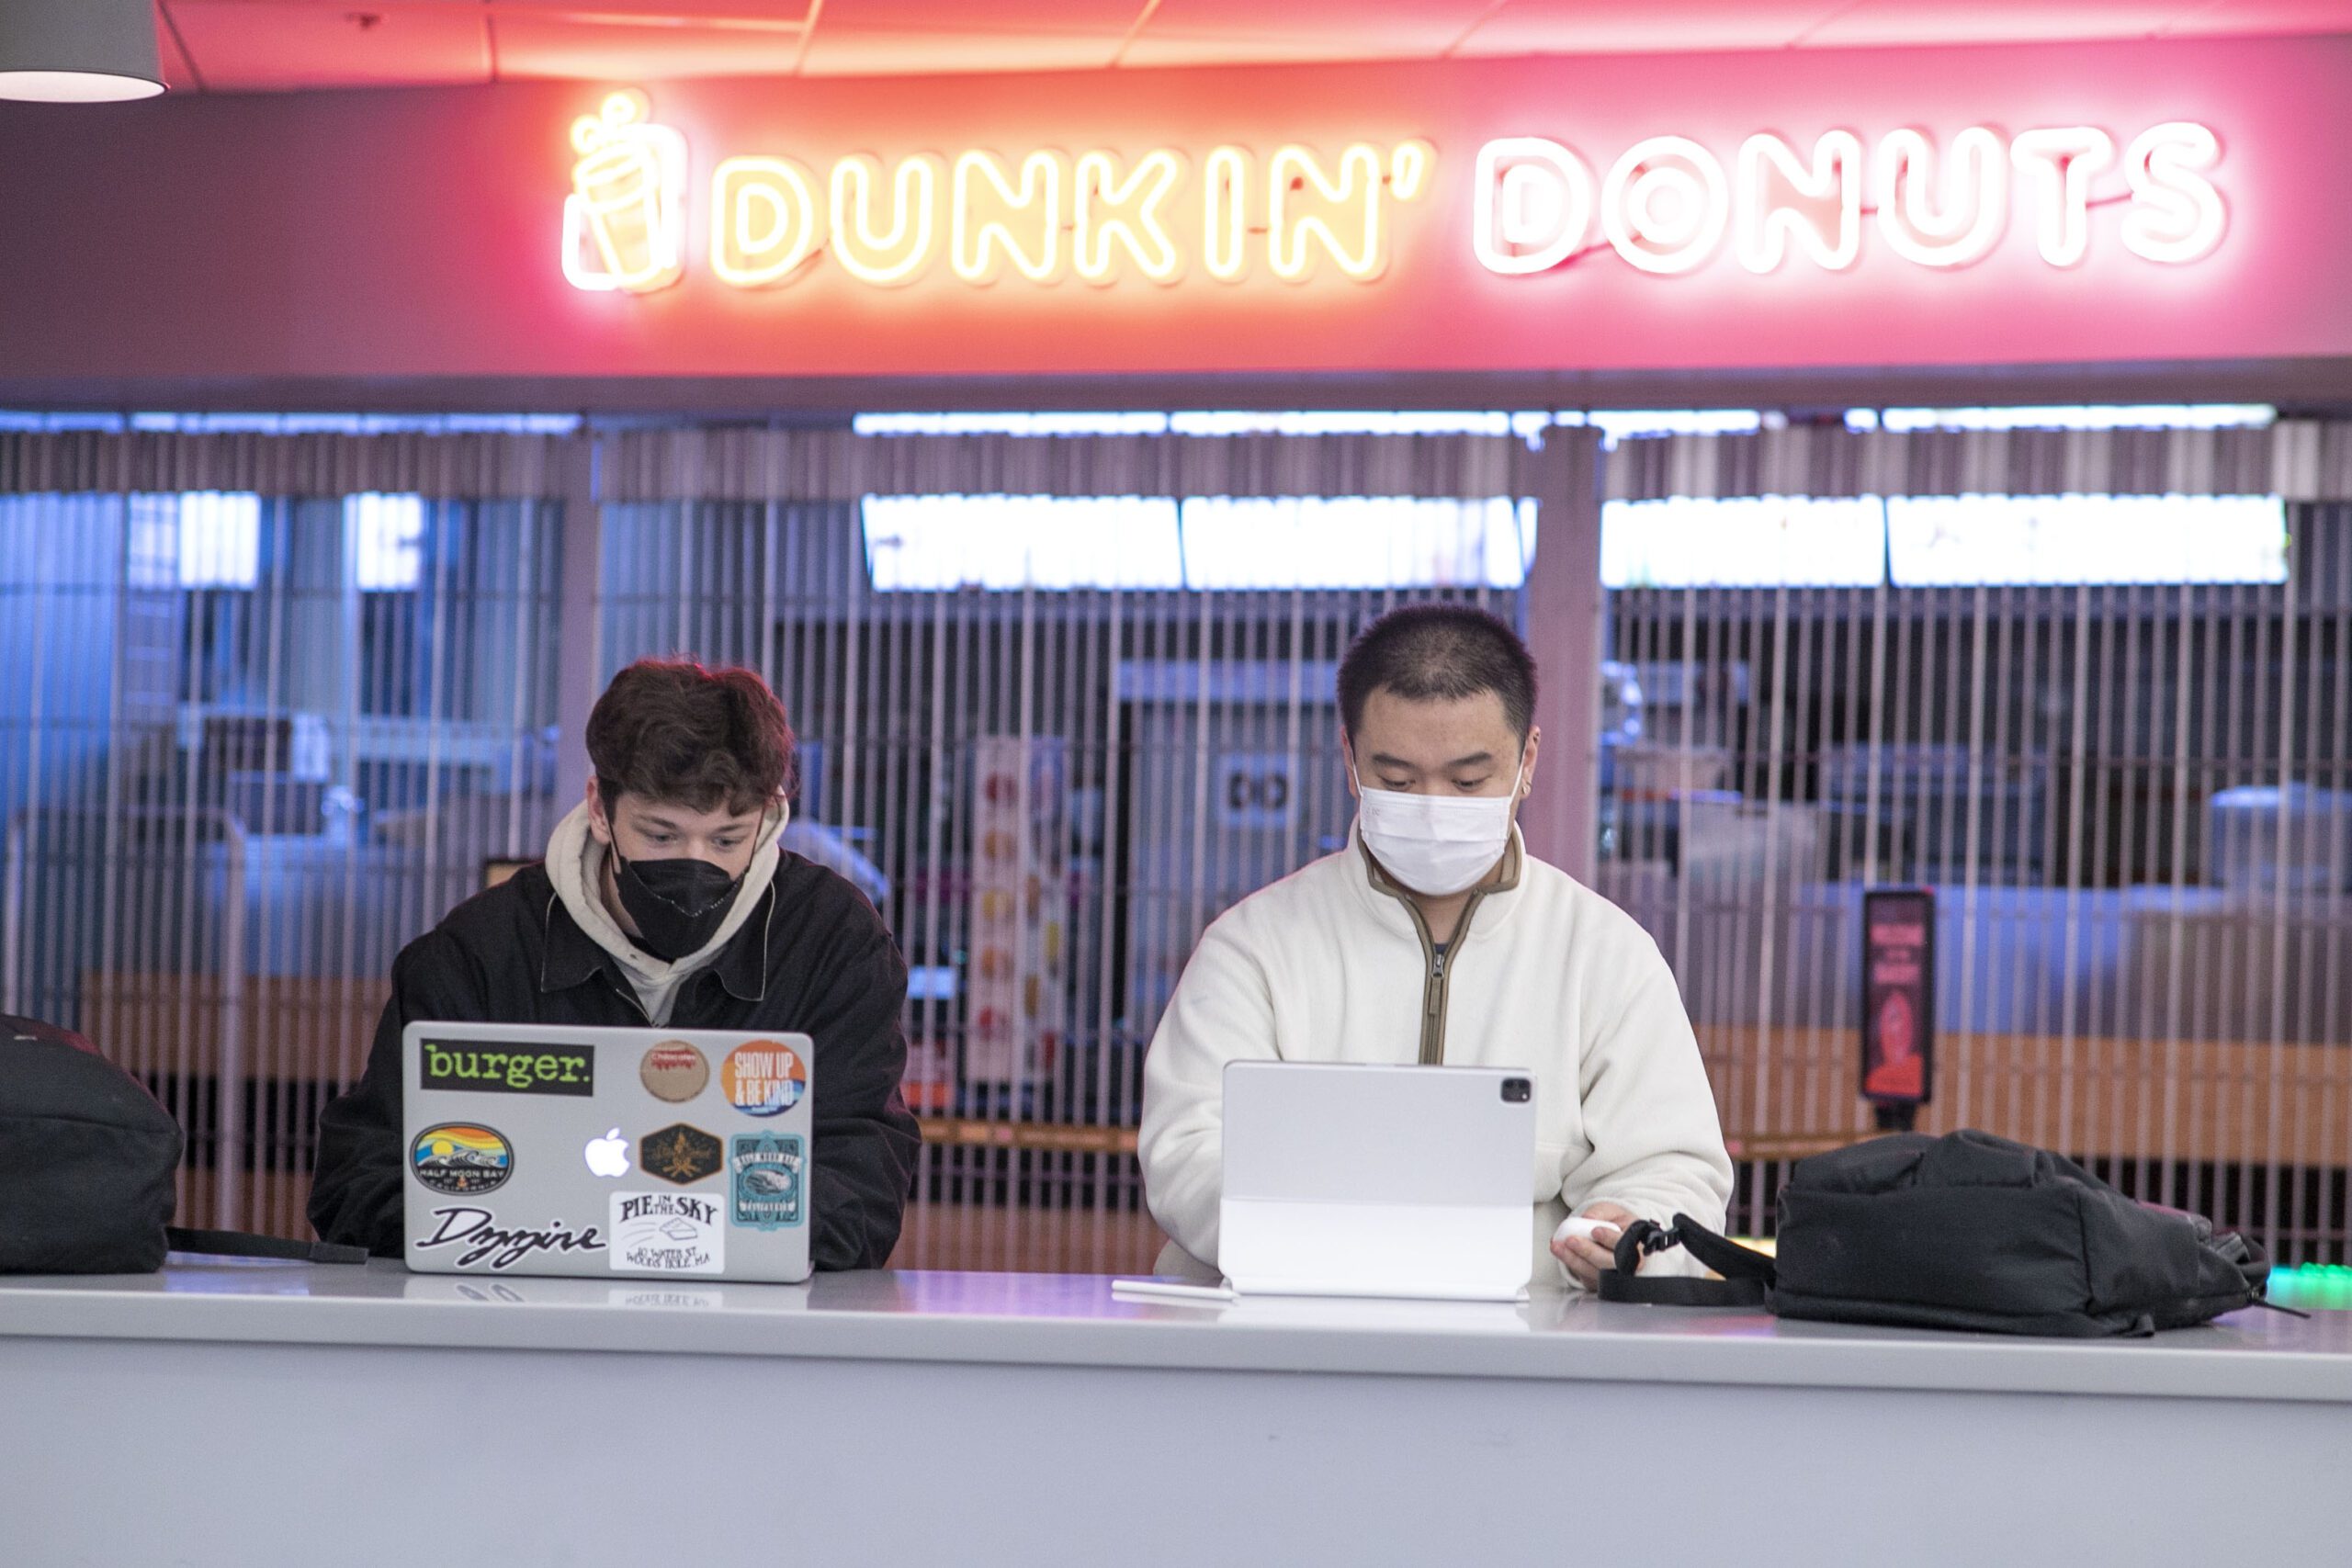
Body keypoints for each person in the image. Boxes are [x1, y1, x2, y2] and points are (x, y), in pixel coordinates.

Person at [1138, 605, 1732, 1289]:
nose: (1431, 804)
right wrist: (1343, 1241)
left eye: (1468, 780)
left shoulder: (1605, 956)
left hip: (1529, 1358)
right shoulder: (1253, 949)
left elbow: (1675, 1166)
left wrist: (1626, 1229)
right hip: (1285, 1351)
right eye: (1396, 779)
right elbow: (1186, 1150)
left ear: (1527, 759)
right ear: (1349, 758)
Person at [310, 658, 919, 1269]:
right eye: (660, 835)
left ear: (768, 815)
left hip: (751, 1344)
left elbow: (863, 1191)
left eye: (727, 839)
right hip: (527, 1334)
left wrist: (642, 1231)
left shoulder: (832, 945)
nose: (695, 861)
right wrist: (567, 1230)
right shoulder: (482, 953)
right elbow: (359, 1182)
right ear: (600, 807)